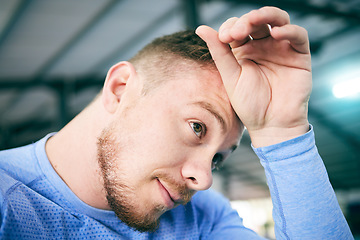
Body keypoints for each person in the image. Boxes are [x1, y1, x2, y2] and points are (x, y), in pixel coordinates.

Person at [0, 6, 354, 239]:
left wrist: (282, 131)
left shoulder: (204, 220)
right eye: (197, 127)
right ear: (121, 89)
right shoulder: (8, 203)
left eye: (218, 158)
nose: (204, 178)